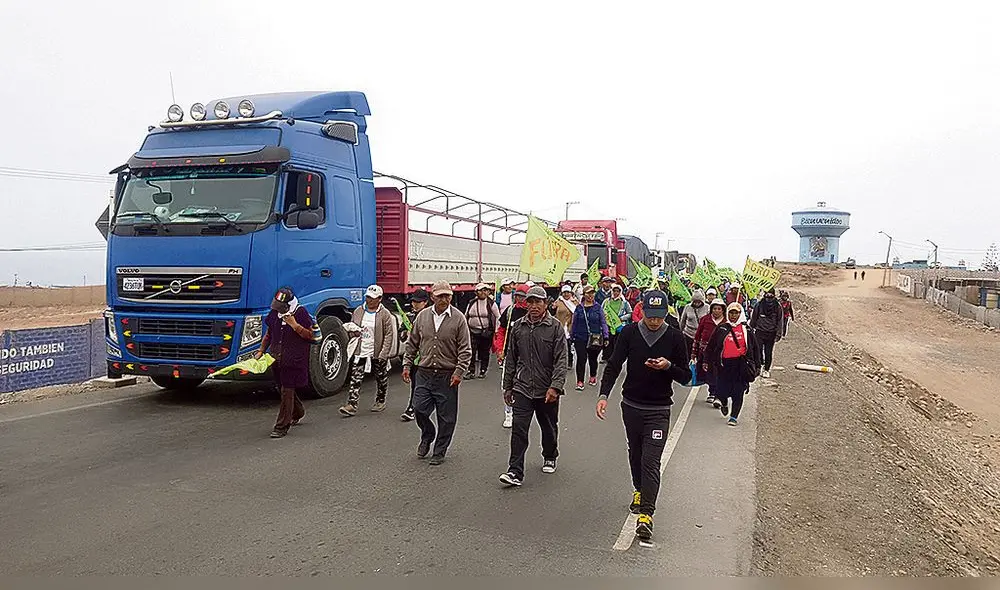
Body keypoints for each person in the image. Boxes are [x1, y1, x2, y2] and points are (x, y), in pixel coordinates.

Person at [596, 290, 691, 543]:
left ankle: (646, 515)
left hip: (658, 409)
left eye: (659, 317)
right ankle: (638, 490)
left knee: (651, 461)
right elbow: (615, 365)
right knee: (635, 452)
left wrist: (667, 366)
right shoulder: (629, 333)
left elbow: (686, 376)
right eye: (650, 316)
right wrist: (604, 395)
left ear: (666, 314)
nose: (654, 322)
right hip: (631, 405)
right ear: (643, 311)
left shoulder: (675, 337)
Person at [499, 286, 568, 487]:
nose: (534, 306)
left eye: (538, 302)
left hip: (546, 390)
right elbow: (511, 357)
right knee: (519, 429)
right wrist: (508, 386)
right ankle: (514, 471)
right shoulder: (518, 327)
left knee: (548, 427)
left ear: (546, 304)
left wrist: (555, 387)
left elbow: (561, 360)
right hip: (522, 387)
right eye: (530, 302)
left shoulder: (554, 327)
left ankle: (550, 454)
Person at [401, 280, 472, 465]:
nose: (444, 299)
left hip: (446, 374)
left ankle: (440, 451)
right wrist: (407, 365)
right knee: (418, 408)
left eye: (447, 295)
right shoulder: (423, 317)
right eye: (440, 295)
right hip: (424, 371)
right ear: (432, 296)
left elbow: (465, 349)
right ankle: (427, 435)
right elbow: (412, 344)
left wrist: (459, 372)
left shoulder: (458, 318)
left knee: (446, 416)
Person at [259, 287, 322, 438]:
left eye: (281, 307)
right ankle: (298, 411)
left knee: (287, 391)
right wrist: (261, 350)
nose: (277, 309)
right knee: (282, 389)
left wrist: (295, 325)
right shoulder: (275, 313)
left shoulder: (301, 314)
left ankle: (281, 426)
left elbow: (313, 337)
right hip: (276, 358)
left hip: (294, 360)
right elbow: (269, 333)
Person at [340, 284, 397, 416]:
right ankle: (352, 404)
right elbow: (353, 326)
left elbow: (389, 335)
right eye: (368, 297)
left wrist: (384, 353)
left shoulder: (384, 314)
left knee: (381, 377)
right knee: (356, 378)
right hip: (361, 350)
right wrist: (353, 332)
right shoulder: (359, 311)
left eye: (373, 298)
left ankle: (380, 400)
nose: (369, 300)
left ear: (380, 299)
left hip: (377, 351)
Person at [705, 302, 760, 427]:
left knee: (738, 392)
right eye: (731, 312)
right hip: (724, 366)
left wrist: (757, 366)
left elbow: (755, 348)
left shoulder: (747, 330)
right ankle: (724, 403)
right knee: (722, 392)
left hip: (741, 367)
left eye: (736, 313)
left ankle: (734, 416)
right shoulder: (722, 328)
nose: (733, 315)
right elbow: (711, 346)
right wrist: (707, 361)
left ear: (740, 314)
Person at [495, 284, 529, 428]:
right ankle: (508, 413)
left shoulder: (532, 313)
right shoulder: (509, 311)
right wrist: (499, 349)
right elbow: (501, 331)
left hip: (528, 356)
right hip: (510, 355)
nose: (520, 299)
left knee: (524, 386)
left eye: (523, 296)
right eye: (518, 295)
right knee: (506, 385)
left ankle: (521, 412)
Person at [570, 285, 608, 390]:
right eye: (588, 293)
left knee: (592, 359)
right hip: (580, 337)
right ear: (584, 295)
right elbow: (574, 323)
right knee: (581, 359)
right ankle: (580, 381)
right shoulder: (579, 308)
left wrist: (606, 336)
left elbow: (603, 322)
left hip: (595, 337)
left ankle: (592, 376)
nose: (590, 295)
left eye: (592, 293)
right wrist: (572, 336)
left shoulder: (598, 307)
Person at [400, 289, 430, 422]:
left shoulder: (430, 317)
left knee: (420, 383)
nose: (414, 304)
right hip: (412, 355)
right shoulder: (410, 316)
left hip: (426, 356)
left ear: (425, 302)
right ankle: (416, 405)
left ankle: (412, 408)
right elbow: (402, 332)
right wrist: (405, 334)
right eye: (413, 301)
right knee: (415, 383)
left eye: (418, 302)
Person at [693, 299, 727, 404]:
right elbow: (698, 335)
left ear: (723, 310)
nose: (716, 311)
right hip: (706, 352)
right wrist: (694, 353)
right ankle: (712, 392)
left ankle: (717, 395)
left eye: (719, 309)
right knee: (709, 373)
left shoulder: (726, 322)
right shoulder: (705, 319)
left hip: (721, 352)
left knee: (720, 373)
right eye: (715, 308)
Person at [465, 283, 500, 379]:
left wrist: (496, 330)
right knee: (471, 352)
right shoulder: (471, 302)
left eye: (485, 290)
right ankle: (471, 371)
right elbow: (466, 315)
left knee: (484, 352)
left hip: (486, 332)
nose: (483, 292)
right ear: (476, 292)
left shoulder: (491, 303)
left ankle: (483, 370)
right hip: (472, 331)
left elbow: (497, 317)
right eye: (481, 290)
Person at [749, 287, 784, 379]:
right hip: (759, 332)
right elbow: (754, 318)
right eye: (767, 293)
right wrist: (750, 329)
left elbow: (780, 320)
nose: (769, 295)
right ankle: (759, 366)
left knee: (768, 352)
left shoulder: (777, 306)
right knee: (758, 351)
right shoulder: (759, 305)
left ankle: (767, 369)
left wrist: (779, 334)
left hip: (771, 333)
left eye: (770, 293)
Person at [602, 283, 632, 362]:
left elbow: (630, 313)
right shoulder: (606, 301)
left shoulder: (624, 303)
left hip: (619, 326)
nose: (616, 293)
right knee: (608, 342)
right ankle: (606, 357)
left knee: (617, 343)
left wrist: (622, 318)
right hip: (608, 325)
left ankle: (615, 358)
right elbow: (601, 311)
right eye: (614, 291)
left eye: (617, 291)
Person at [551, 284, 578, 367]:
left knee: (569, 346)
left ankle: (570, 361)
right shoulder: (558, 302)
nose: (566, 294)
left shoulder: (575, 302)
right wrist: (553, 307)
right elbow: (552, 313)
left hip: (570, 327)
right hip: (560, 326)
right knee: (558, 346)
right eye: (564, 292)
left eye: (568, 292)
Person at [679, 290, 710, 356]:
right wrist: (681, 332)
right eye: (695, 302)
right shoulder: (687, 307)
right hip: (688, 334)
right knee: (688, 353)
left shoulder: (707, 307)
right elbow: (682, 321)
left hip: (701, 335)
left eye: (699, 302)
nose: (697, 303)